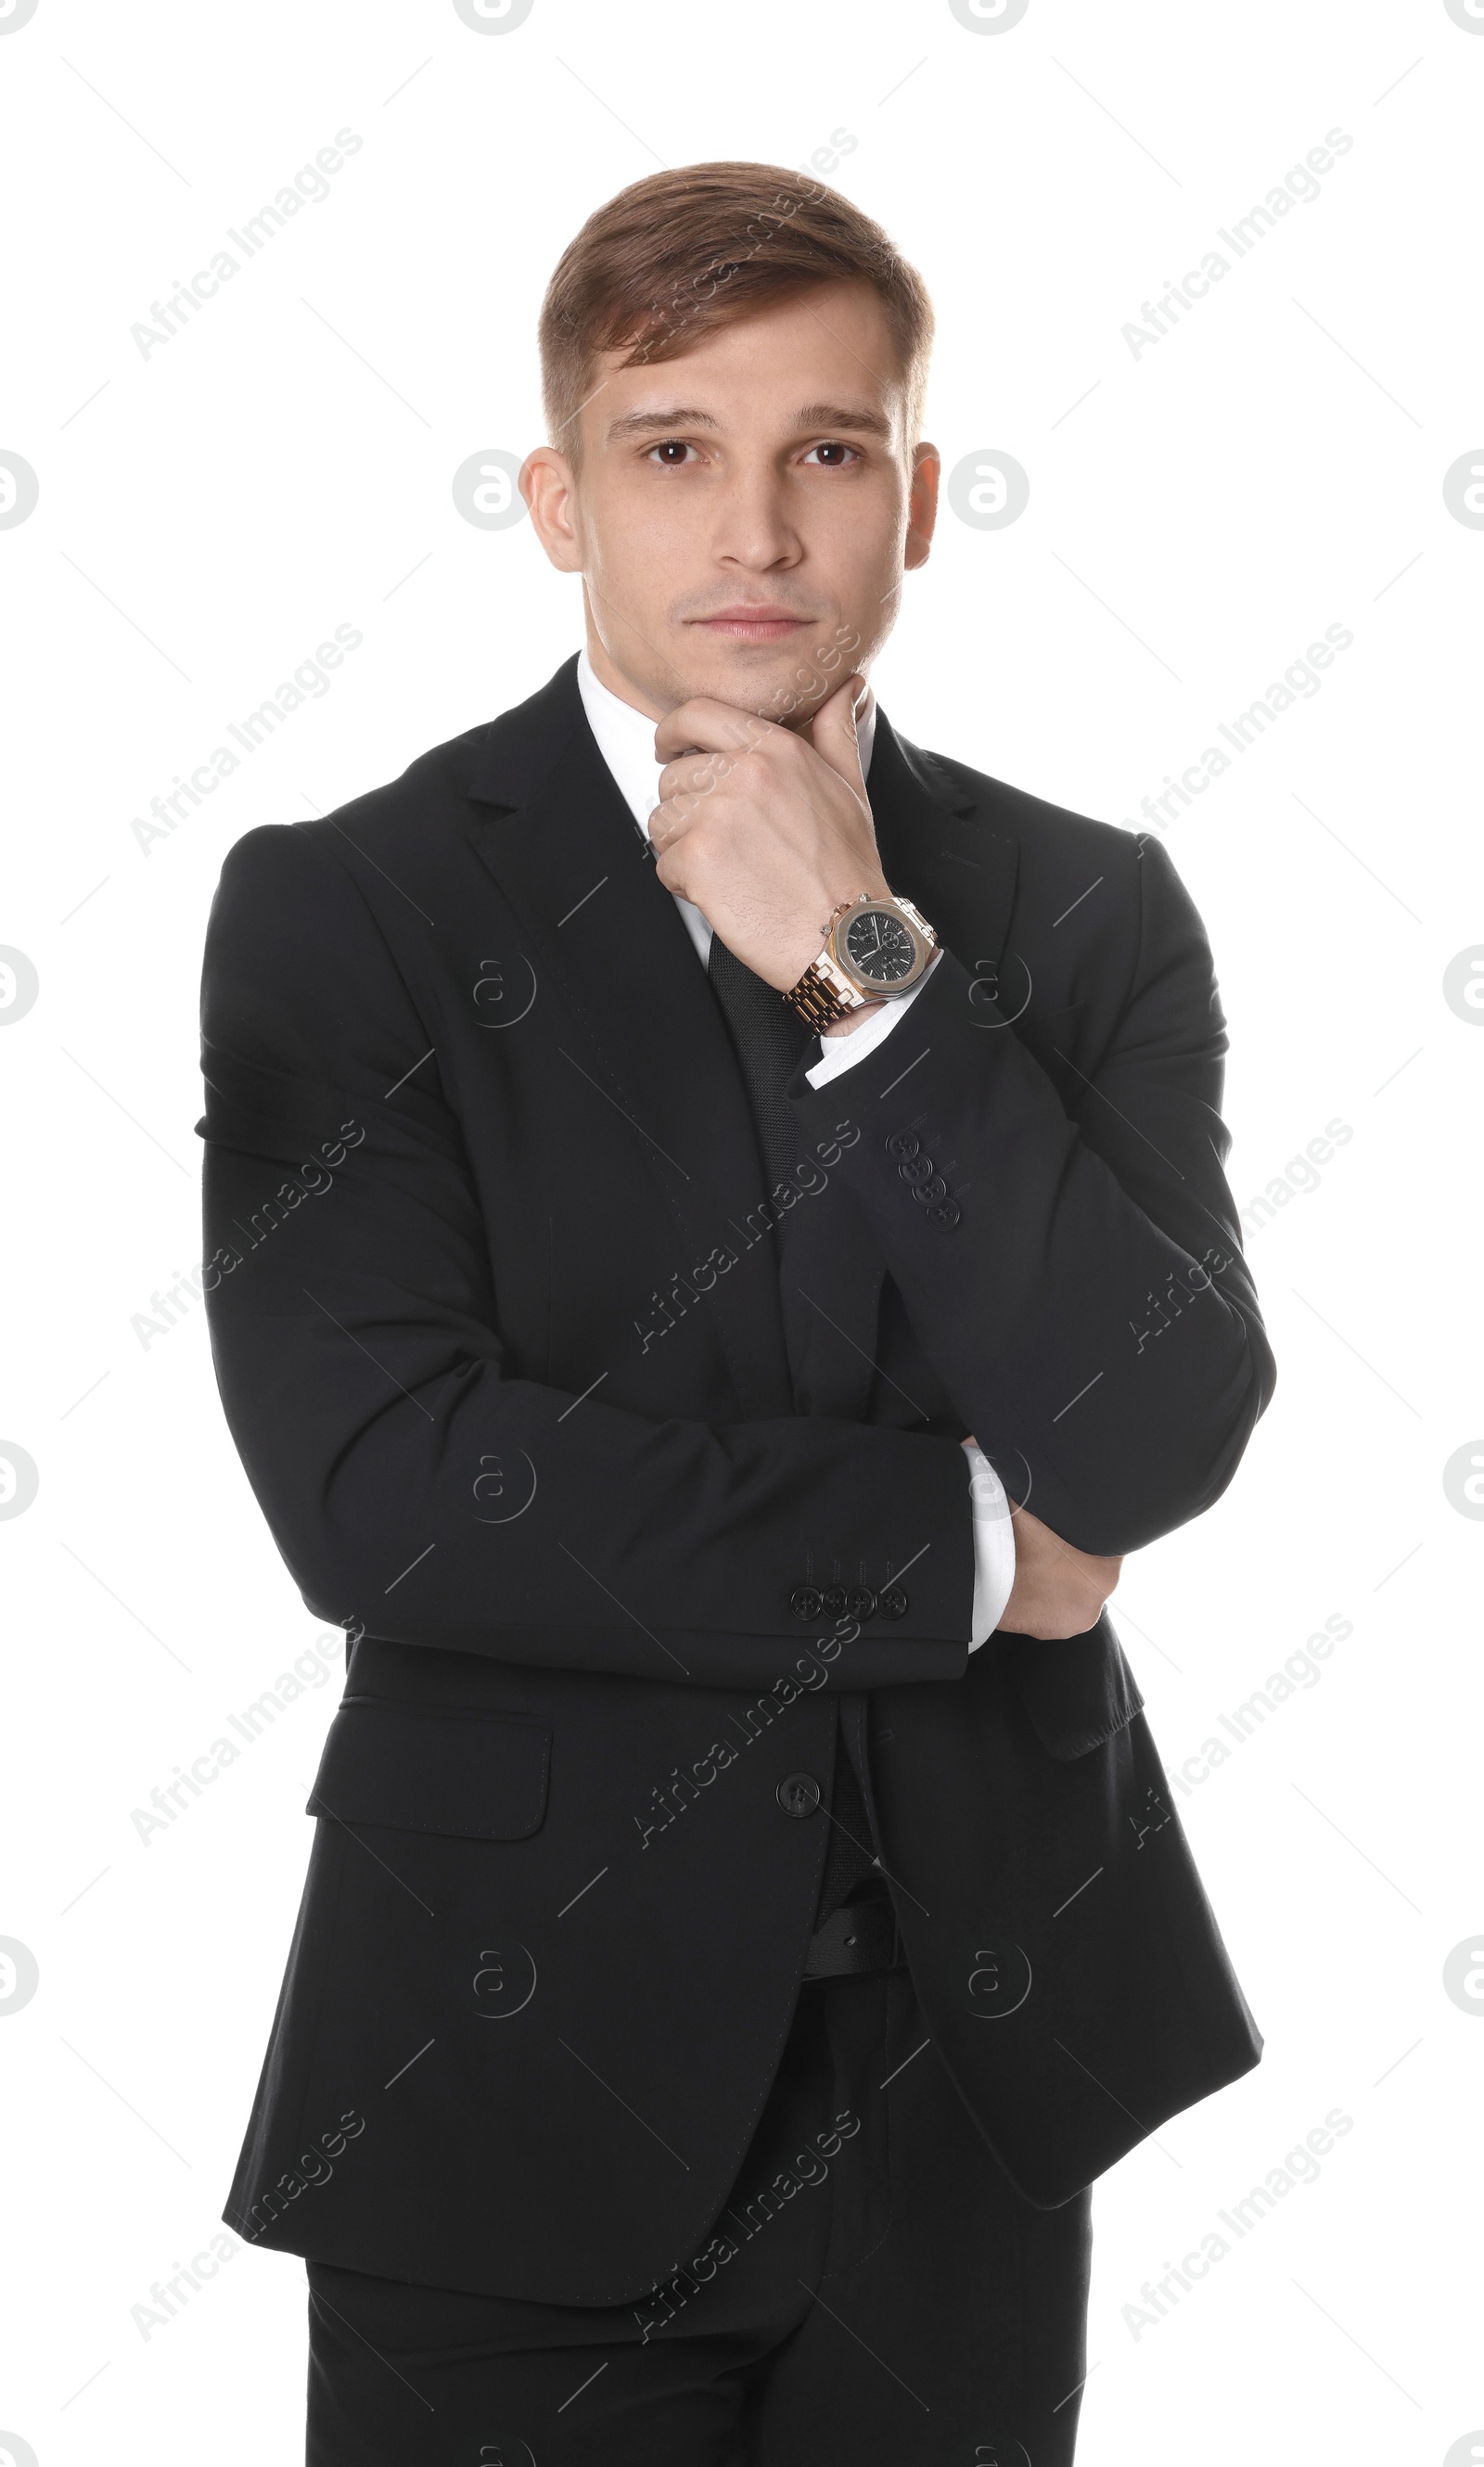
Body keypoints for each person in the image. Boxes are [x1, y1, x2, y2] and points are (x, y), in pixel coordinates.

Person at [197, 159, 1276, 2466]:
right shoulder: (348, 911)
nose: (756, 531)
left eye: (826, 451)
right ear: (559, 502)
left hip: (966, 2083)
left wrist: (872, 978)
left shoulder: (1078, 911)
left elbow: (1158, 1425)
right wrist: (973, 1554)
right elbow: (388, 1491)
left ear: (911, 492)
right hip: (500, 2080)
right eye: (673, 449)